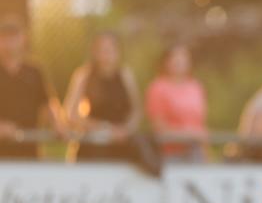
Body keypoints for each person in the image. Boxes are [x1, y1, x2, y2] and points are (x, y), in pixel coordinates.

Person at [63, 32, 142, 162]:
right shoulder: (84, 75)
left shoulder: (125, 75)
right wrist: (105, 129)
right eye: (102, 50)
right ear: (94, 52)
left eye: (110, 49)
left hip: (121, 147)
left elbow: (136, 110)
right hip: (93, 147)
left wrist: (126, 129)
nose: (106, 55)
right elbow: (71, 114)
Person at [0, 15, 63, 158]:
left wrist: (57, 124)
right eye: (4, 38)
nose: (9, 43)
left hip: (29, 151)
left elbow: (47, 102)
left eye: (13, 37)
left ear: (23, 39)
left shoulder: (35, 72)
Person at [145, 44, 209, 162]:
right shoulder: (158, 88)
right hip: (171, 154)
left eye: (183, 57)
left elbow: (201, 123)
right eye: (175, 57)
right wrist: (186, 135)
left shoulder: (195, 87)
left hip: (196, 152)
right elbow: (158, 126)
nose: (179, 61)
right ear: (166, 62)